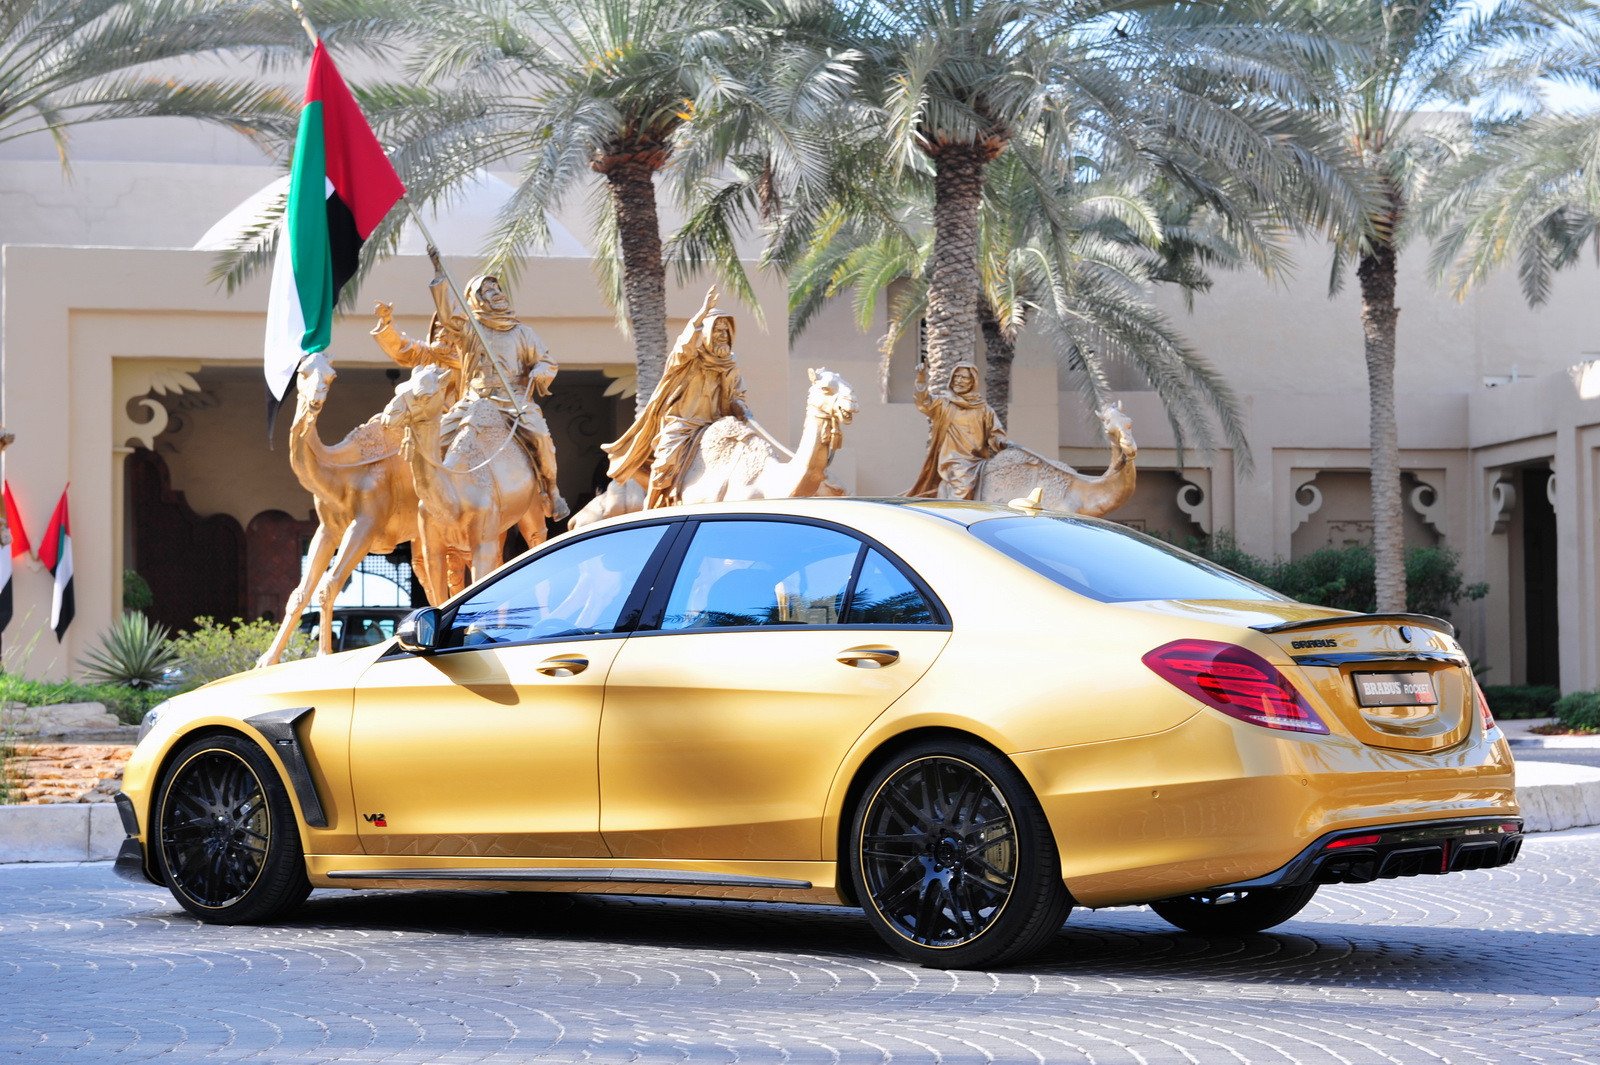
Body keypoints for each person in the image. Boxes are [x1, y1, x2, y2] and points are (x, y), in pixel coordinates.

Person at [371, 268, 568, 522]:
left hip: (513, 401)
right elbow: (448, 317)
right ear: (477, 300)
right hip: (474, 402)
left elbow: (546, 361)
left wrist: (540, 370)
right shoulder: (470, 331)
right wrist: (440, 280)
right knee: (433, 439)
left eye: (496, 289)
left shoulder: (523, 333)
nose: (495, 294)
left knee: (540, 436)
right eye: (487, 291)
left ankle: (552, 490)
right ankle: (431, 496)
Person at [602, 286, 753, 509]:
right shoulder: (688, 359)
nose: (723, 335)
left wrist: (741, 407)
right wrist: (702, 313)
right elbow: (684, 345)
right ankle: (651, 509)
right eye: (717, 330)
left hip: (715, 426)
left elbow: (736, 396)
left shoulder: (730, 365)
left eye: (726, 331)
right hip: (682, 425)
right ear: (706, 333)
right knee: (664, 465)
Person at [906, 359, 1007, 500]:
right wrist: (921, 378)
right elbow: (923, 402)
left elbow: (995, 435)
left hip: (977, 461)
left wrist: (1003, 443)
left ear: (973, 381)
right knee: (963, 485)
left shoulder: (984, 410)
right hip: (953, 461)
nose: (958, 381)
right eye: (956, 377)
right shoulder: (943, 404)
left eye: (964, 377)